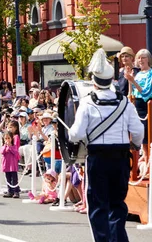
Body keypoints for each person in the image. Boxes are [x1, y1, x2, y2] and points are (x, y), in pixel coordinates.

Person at [69, 49, 144, 242]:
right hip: (120, 157)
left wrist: (68, 132)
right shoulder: (124, 103)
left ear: (94, 80)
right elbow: (138, 131)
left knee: (98, 205)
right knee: (117, 204)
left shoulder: (87, 103)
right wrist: (135, 145)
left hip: (98, 158)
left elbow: (76, 133)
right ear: (111, 79)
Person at [1, 131, 20, 198]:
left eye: (9, 138)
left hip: (12, 165)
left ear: (11, 138)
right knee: (8, 178)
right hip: (6, 165)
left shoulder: (14, 146)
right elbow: (2, 152)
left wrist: (9, 147)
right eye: (6, 138)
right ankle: (10, 191)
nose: (7, 140)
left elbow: (15, 152)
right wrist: (6, 147)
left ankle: (16, 191)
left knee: (14, 179)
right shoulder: (3, 146)